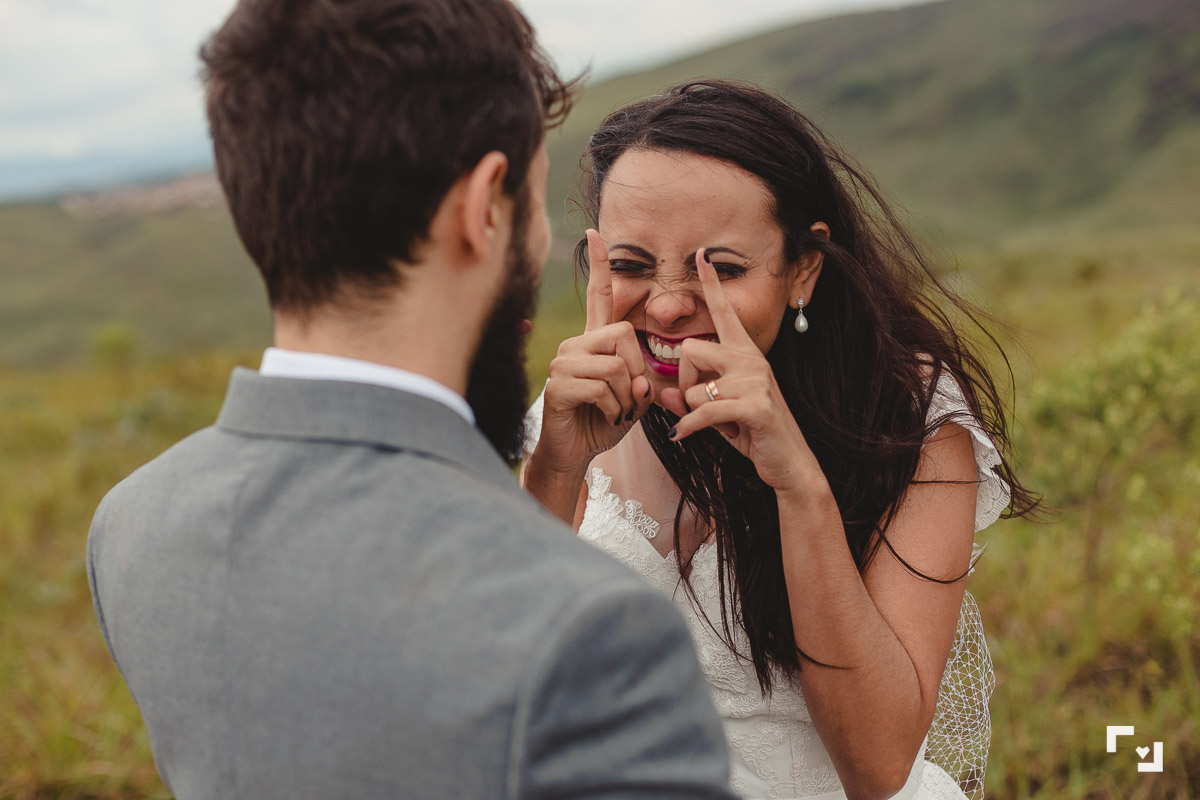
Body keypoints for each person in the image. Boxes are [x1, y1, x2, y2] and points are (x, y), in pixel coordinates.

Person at [86, 3, 737, 798]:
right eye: (532, 206)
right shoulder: (595, 632)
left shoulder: (130, 521)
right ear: (483, 209)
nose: (538, 241)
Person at [522, 81, 1038, 800]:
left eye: (721, 270)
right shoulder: (583, 399)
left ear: (804, 268)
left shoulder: (909, 424)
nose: (667, 306)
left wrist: (798, 484)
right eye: (634, 266)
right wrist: (553, 469)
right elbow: (502, 674)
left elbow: (878, 766)